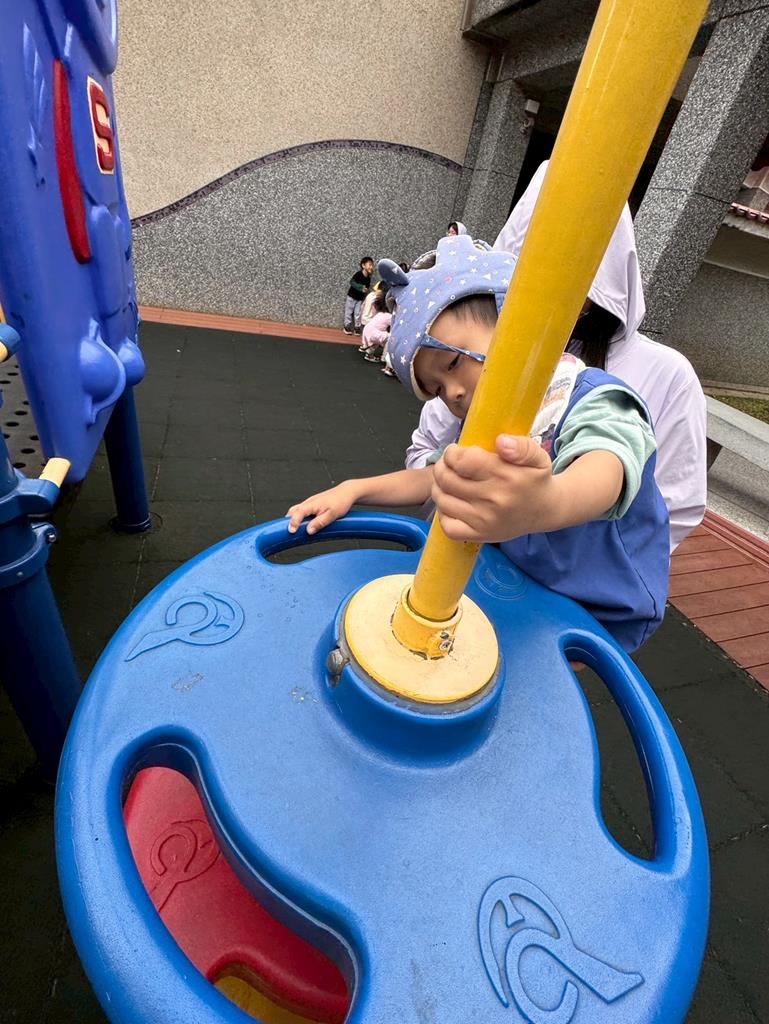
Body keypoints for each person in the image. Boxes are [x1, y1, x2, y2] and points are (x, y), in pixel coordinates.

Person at [288, 235, 669, 653]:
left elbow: (607, 468)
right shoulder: (484, 424)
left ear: (512, 324)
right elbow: (436, 476)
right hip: (522, 585)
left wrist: (546, 503)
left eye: (454, 363)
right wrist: (355, 489)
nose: (452, 392)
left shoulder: (590, 394)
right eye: (437, 388)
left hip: (600, 604)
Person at [408, 162, 706, 551]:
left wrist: (555, 523)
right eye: (529, 271)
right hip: (469, 557)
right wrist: (462, 494)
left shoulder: (663, 374)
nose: (548, 289)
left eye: (567, 271)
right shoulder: (483, 356)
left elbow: (673, 506)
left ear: (604, 271)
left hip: (575, 578)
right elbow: (428, 450)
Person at [343, 256, 374, 335]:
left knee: (358, 313)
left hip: (359, 298)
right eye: (370, 264)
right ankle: (347, 326)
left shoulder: (368, 278)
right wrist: (360, 287)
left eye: (372, 265)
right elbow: (352, 282)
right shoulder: (358, 274)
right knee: (349, 311)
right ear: (363, 265)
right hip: (351, 296)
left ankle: (357, 327)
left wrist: (365, 290)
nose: (371, 267)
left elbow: (366, 287)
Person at [360, 290, 391, 362]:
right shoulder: (389, 316)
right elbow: (395, 326)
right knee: (390, 337)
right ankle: (384, 357)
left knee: (378, 339)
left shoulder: (380, 313)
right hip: (373, 333)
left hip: (367, 330)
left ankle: (369, 353)